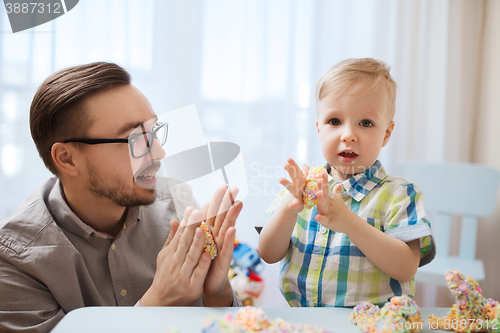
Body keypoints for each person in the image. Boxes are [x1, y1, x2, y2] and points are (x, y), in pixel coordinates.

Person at [0, 62, 243, 333]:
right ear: (67, 159)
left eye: (153, 132)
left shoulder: (176, 202)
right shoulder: (15, 258)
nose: (159, 153)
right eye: (134, 138)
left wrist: (218, 294)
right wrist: (158, 302)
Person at [258, 58, 435, 307]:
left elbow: (406, 268)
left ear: (386, 133)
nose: (348, 135)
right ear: (319, 129)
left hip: (371, 324)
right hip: (304, 322)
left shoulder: (401, 194)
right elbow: (267, 253)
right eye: (334, 121)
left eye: (365, 123)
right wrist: (290, 208)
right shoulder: (302, 186)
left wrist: (350, 223)